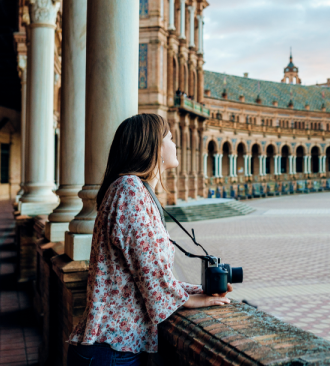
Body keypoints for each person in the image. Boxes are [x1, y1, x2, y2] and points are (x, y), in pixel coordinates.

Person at [67, 113, 232, 366]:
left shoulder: (134, 190)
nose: (175, 144)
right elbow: (150, 271)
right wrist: (187, 300)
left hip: (113, 349)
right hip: (113, 351)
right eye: (170, 138)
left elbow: (143, 275)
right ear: (153, 146)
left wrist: (198, 290)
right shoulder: (129, 190)